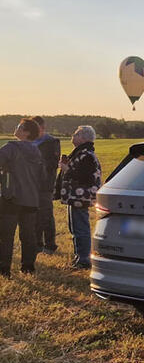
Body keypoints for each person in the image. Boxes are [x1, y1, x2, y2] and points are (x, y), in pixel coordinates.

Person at [0, 119, 45, 277]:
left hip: (11, 198)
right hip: (31, 199)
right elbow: (42, 177)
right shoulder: (37, 151)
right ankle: (28, 267)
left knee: (6, 236)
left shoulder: (11, 148)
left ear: (25, 132)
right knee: (28, 235)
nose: (16, 128)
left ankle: (4, 269)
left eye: (19, 127)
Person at [56, 126, 101, 269]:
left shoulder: (86, 155)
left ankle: (84, 259)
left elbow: (85, 178)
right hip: (75, 196)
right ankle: (79, 257)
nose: (72, 136)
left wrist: (67, 169)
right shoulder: (82, 153)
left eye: (75, 134)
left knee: (80, 228)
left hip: (80, 197)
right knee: (74, 227)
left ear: (82, 137)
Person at [31, 116, 61, 254]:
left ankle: (50, 244)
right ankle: (37, 244)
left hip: (45, 184)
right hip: (31, 184)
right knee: (34, 215)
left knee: (46, 214)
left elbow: (53, 164)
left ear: (42, 127)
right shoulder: (31, 141)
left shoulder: (51, 142)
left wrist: (36, 163)